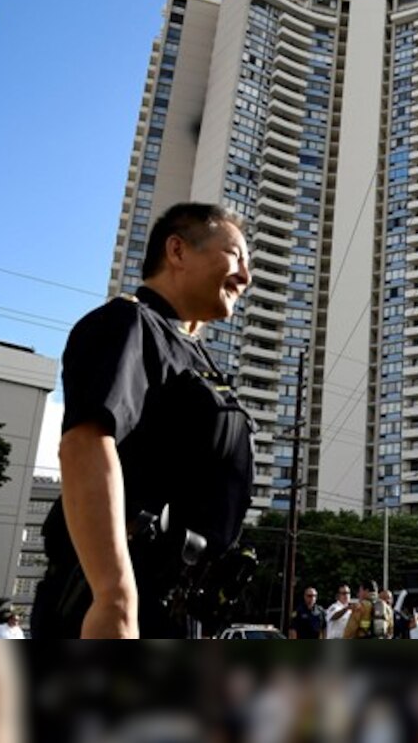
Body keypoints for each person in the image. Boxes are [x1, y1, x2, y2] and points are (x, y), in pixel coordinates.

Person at [30, 203, 254, 639]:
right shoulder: (128, 322)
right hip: (120, 606)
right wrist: (113, 596)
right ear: (178, 250)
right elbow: (85, 445)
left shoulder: (196, 355)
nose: (245, 276)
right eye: (235, 256)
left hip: (177, 606)